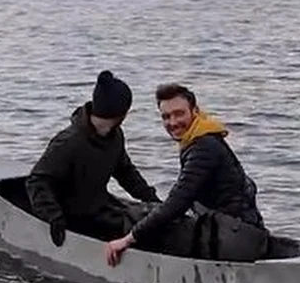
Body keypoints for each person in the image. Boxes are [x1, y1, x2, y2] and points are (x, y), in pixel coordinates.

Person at [105, 83, 268, 266]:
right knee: (146, 213)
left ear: (195, 110)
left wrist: (128, 239)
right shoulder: (201, 137)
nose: (173, 122)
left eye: (179, 113)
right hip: (234, 229)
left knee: (142, 223)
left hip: (236, 239)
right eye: (166, 117)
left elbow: (178, 202)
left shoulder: (204, 148)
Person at [25, 70, 160, 245]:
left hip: (99, 208)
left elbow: (125, 172)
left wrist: (151, 199)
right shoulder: (69, 142)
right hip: (70, 216)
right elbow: (37, 181)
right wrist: (54, 218)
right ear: (122, 113)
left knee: (151, 222)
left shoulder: (115, 135)